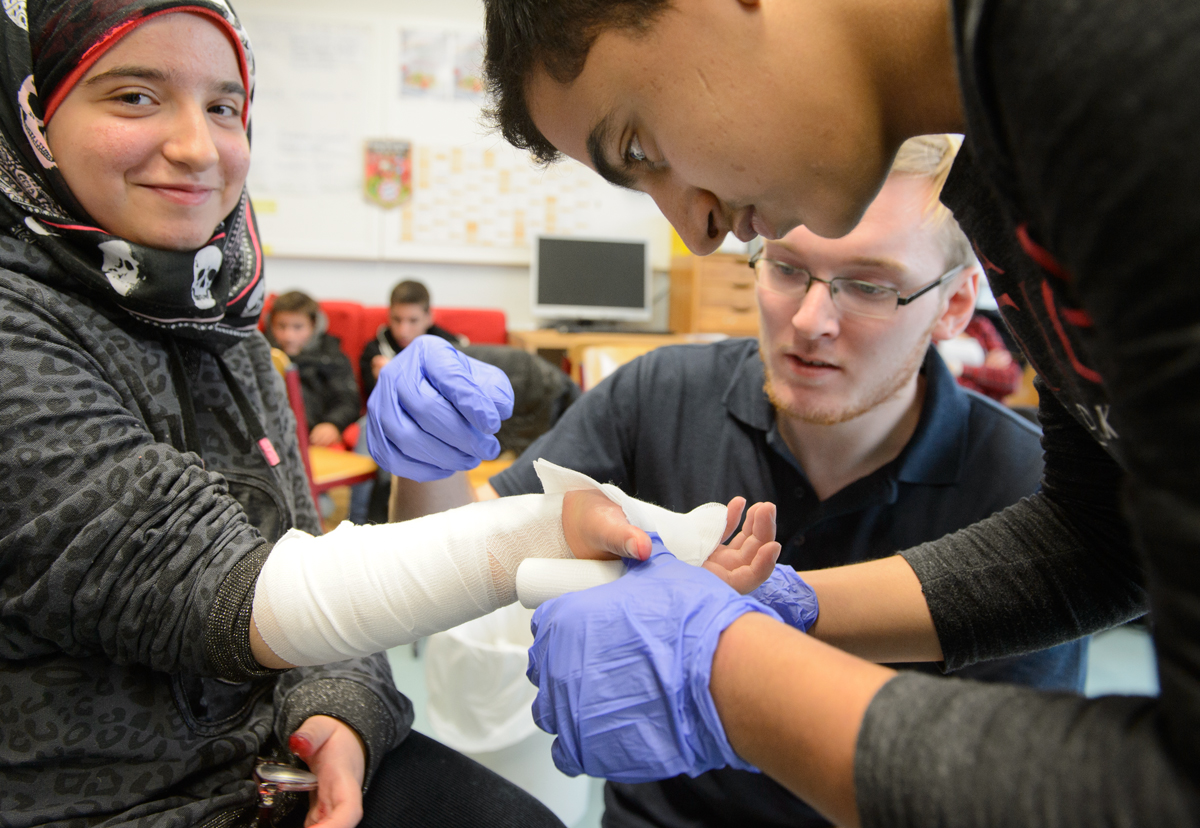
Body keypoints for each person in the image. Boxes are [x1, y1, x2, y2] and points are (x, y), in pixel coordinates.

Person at [368, 0, 1200, 824]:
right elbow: (1103, 536)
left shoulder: (1104, 52)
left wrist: (727, 665)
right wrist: (778, 605)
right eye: (787, 272)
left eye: (637, 145)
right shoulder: (1002, 155)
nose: (696, 233)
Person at [0, 3, 775, 826]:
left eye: (224, 106)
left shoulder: (220, 323)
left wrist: (340, 709)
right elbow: (241, 594)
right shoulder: (18, 331)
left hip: (265, 764)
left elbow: (311, 559)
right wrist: (550, 538)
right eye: (134, 98)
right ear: (32, 115)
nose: (197, 146)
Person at [481, 136, 1084, 828]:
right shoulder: (657, 394)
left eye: (869, 285)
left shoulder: (1029, 486)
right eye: (788, 268)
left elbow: (1003, 792)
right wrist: (425, 465)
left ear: (953, 308)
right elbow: (469, 556)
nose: (809, 322)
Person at [267, 289, 361, 447]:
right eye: (281, 326)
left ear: (314, 325)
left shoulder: (331, 356)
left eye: (298, 327)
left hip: (315, 438)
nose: (288, 336)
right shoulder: (263, 354)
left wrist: (333, 424)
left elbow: (347, 399)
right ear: (271, 325)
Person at [359, 278, 464, 400]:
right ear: (389, 315)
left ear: (429, 318)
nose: (403, 331)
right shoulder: (375, 351)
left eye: (413, 321)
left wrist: (395, 374)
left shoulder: (451, 346)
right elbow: (377, 402)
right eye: (397, 319)